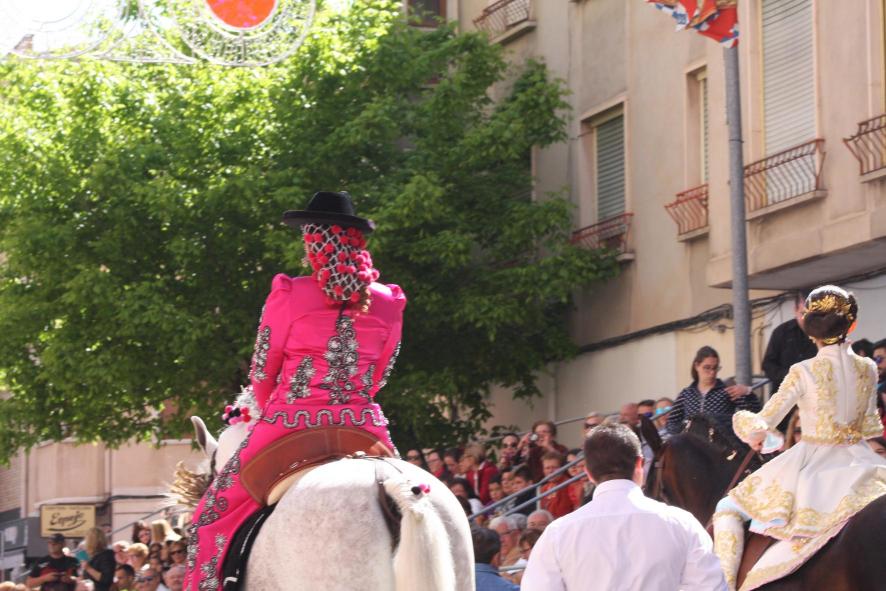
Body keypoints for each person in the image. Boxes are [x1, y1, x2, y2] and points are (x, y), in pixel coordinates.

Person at [184, 191, 406, 591]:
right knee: (412, 497)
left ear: (313, 241)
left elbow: (262, 372)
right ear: (356, 242)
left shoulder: (290, 292)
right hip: (363, 426)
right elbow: (380, 375)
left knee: (210, 517)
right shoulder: (389, 301)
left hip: (289, 422)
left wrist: (273, 409)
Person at [713, 286, 886, 591]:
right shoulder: (868, 368)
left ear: (810, 329)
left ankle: (723, 586)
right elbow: (870, 426)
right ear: (852, 325)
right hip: (864, 462)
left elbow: (764, 420)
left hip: (813, 464)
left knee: (727, 508)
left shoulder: (803, 371)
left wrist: (751, 430)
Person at [522, 424, 725, 590]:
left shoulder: (558, 533)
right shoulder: (682, 524)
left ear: (588, 473)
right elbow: (710, 586)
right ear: (639, 465)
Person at [666, 346, 761, 436]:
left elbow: (755, 413)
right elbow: (671, 423)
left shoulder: (727, 390)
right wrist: (684, 431)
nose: (712, 372)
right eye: (707, 367)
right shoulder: (686, 394)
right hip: (693, 443)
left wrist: (748, 392)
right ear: (697, 366)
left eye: (715, 368)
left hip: (721, 443)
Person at [537, 452, 575, 518]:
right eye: (547, 468)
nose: (550, 471)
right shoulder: (543, 488)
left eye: (554, 467)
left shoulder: (570, 484)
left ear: (562, 468)